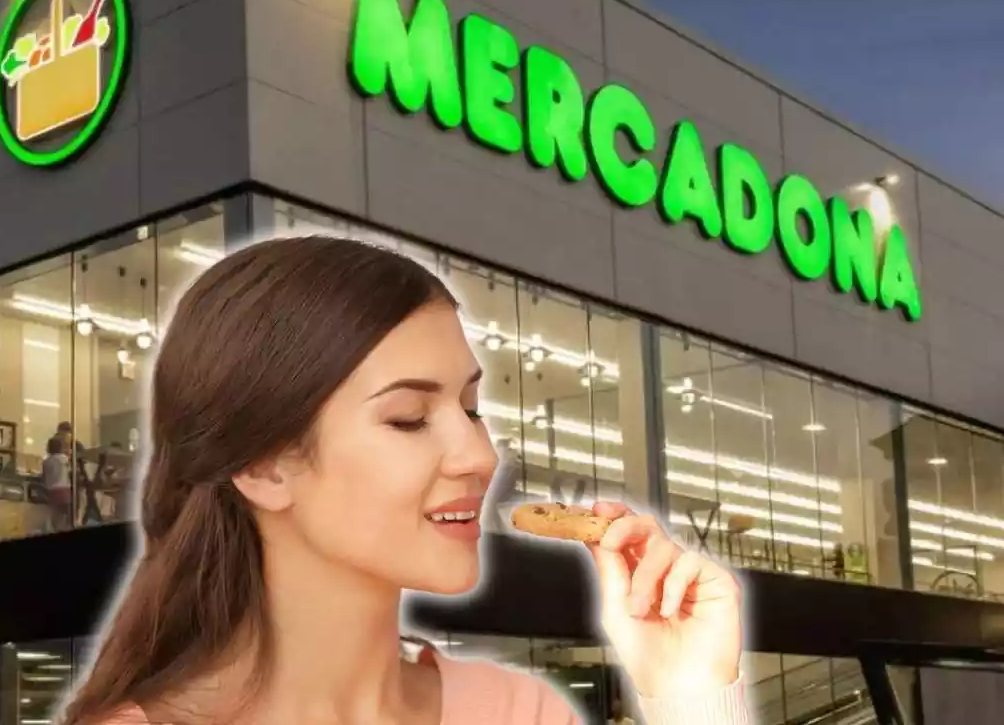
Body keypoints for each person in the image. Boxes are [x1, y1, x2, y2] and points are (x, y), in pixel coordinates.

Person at [59, 236, 748, 725]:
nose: (478, 455)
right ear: (263, 465)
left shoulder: (520, 715)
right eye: (410, 418)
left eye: (472, 409)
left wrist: (690, 699)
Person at [41, 436, 73, 532]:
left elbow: (44, 476)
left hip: (51, 491)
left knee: (54, 515)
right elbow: (70, 472)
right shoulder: (64, 459)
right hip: (64, 490)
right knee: (65, 515)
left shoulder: (46, 461)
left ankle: (55, 529)